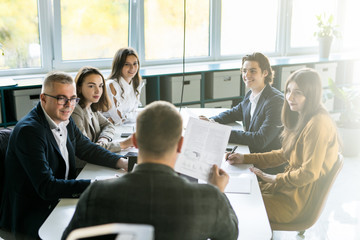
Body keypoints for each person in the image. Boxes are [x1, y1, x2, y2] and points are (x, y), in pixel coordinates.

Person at [62, 101, 239, 240]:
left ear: (135, 141)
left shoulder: (97, 194)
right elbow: (229, 235)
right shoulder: (209, 198)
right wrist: (217, 192)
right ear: (180, 144)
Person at [0, 71, 128, 239]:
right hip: (33, 213)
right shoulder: (30, 131)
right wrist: (99, 185)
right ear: (43, 98)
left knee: (115, 218)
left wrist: (123, 162)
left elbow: (87, 148)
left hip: (59, 200)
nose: (69, 105)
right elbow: (47, 187)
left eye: (73, 98)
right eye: (61, 98)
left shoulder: (65, 120)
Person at [226, 68, 340, 224]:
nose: (290, 97)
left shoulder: (318, 124)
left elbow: (308, 173)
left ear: (311, 95)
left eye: (298, 93)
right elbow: (283, 154)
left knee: (234, 204)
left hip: (292, 202)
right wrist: (245, 158)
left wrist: (274, 178)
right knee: (230, 192)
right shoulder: (304, 116)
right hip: (284, 190)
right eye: (288, 91)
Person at [200, 52, 284, 154]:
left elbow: (261, 140)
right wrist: (211, 121)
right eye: (244, 71)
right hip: (251, 152)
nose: (246, 75)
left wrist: (221, 132)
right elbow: (233, 113)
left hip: (266, 162)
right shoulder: (250, 94)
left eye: (252, 71)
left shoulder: (276, 101)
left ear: (265, 73)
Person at [72, 66, 133, 169]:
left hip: (95, 163)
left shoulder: (91, 107)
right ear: (79, 87)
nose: (98, 91)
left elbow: (108, 125)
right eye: (91, 86)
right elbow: (88, 150)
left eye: (100, 86)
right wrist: (124, 144)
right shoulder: (75, 111)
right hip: (83, 168)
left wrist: (103, 139)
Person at [103, 47, 144, 125]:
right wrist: (130, 116)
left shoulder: (136, 83)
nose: (132, 68)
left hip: (126, 125)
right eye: (127, 64)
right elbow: (118, 119)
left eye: (135, 63)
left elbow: (134, 112)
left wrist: (126, 116)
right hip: (108, 127)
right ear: (119, 66)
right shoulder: (111, 85)